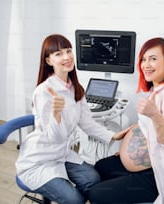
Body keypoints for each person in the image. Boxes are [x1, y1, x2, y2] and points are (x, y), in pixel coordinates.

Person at [15, 34, 128, 204]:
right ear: (48, 61)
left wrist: (113, 136)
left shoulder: (76, 88)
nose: (67, 57)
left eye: (68, 51)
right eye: (58, 54)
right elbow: (55, 137)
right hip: (39, 159)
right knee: (74, 200)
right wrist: (56, 115)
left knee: (93, 180)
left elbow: (87, 123)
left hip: (62, 153)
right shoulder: (43, 92)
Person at [88, 37, 164, 204]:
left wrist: (155, 114)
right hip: (143, 164)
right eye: (144, 59)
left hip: (156, 176)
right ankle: (126, 178)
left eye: (153, 59)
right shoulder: (156, 90)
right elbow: (147, 126)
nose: (146, 65)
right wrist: (126, 144)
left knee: (95, 194)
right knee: (101, 166)